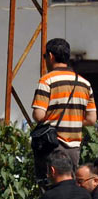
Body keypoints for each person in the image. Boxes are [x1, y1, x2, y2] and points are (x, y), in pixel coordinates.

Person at [31, 38, 96, 187]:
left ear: (51, 56)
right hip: (74, 148)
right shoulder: (85, 84)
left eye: (45, 56)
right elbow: (91, 119)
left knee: (50, 189)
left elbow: (38, 115)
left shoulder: (46, 81)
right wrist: (73, 120)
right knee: (69, 189)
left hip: (52, 146)